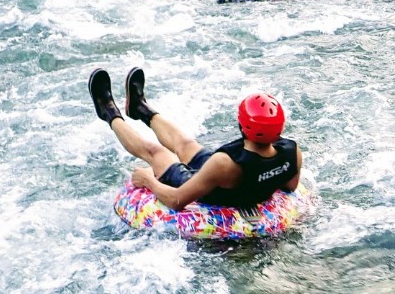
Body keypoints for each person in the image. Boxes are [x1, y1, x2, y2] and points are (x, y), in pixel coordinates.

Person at [88, 68, 302, 211]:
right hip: (232, 177)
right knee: (186, 144)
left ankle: (108, 111)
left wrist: (148, 181)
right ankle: (140, 109)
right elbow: (290, 187)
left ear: (242, 124)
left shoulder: (224, 164)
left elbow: (176, 200)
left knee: (156, 152)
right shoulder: (292, 153)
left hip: (214, 187)